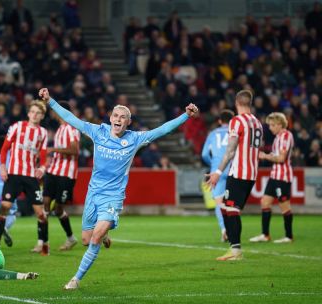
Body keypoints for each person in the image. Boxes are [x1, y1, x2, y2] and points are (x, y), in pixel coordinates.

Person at [38, 87, 199, 290]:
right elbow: (71, 119)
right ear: (110, 117)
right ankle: (104, 233)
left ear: (128, 122)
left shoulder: (134, 139)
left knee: (94, 238)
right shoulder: (98, 131)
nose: (118, 119)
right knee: (87, 240)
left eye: (123, 117)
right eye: (115, 115)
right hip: (93, 193)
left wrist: (186, 115)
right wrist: (50, 101)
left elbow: (162, 130)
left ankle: (75, 279)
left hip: (113, 196)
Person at [207, 90, 263, 261]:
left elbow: (230, 151)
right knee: (227, 208)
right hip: (252, 173)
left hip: (238, 172)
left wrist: (217, 172)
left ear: (237, 103)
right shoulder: (258, 123)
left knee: (230, 209)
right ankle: (233, 247)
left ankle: (235, 251)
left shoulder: (237, 121)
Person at [0, 100, 49, 255]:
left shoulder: (43, 133)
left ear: (42, 116)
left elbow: (44, 154)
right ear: (28, 113)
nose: (34, 115)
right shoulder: (17, 127)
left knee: (40, 212)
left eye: (38, 113)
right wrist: (3, 166)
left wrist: (43, 167)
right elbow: (4, 148)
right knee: (4, 207)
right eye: (32, 112)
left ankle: (43, 244)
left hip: (31, 177)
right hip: (13, 175)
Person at [249, 112, 295, 244]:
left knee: (284, 206)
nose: (270, 127)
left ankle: (289, 236)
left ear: (280, 124)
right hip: (275, 176)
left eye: (273, 125)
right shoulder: (278, 137)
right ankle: (265, 234)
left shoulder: (286, 136)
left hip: (283, 177)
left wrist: (265, 155)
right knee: (265, 202)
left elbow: (281, 158)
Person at [44, 105, 80, 251]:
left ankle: (71, 238)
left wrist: (53, 149)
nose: (53, 112)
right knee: (44, 204)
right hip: (53, 171)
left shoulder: (71, 129)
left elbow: (74, 150)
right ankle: (43, 243)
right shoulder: (59, 129)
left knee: (58, 208)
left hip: (66, 174)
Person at [201, 109, 235, 242]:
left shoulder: (213, 134)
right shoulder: (235, 132)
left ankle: (224, 229)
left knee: (219, 203)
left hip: (217, 172)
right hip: (233, 169)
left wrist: (214, 165)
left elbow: (204, 154)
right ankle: (233, 229)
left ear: (220, 121)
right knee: (233, 203)